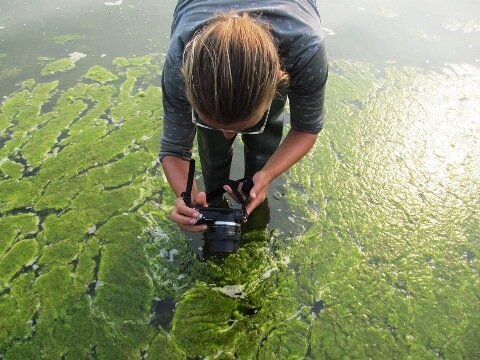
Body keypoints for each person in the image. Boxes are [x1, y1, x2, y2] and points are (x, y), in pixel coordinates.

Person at [160, 0, 328, 233]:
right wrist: (186, 197)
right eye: (209, 121)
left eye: (246, 125)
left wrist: (267, 175)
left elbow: (307, 127)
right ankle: (213, 193)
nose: (229, 135)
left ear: (279, 80)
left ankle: (255, 184)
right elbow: (174, 147)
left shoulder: (305, 50)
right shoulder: (182, 54)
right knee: (213, 146)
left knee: (263, 142)